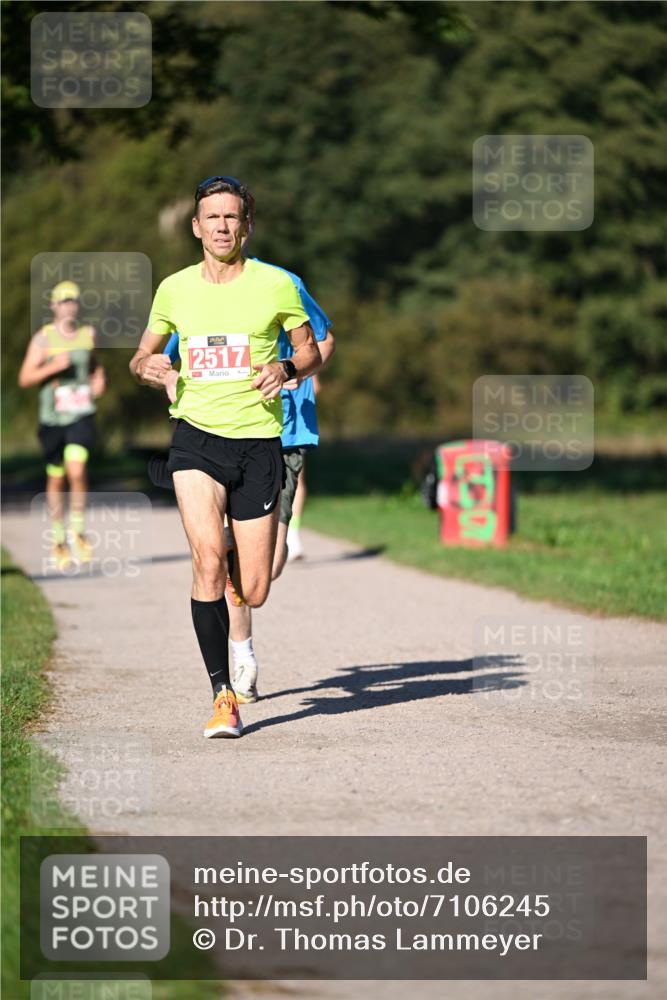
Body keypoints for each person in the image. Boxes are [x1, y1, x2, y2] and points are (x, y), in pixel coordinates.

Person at [129, 175, 321, 739]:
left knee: (254, 587)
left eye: (232, 217)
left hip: (259, 443)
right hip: (195, 438)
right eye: (212, 217)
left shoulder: (276, 285)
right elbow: (143, 353)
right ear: (196, 226)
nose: (222, 226)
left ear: (246, 225)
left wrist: (286, 368)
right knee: (206, 559)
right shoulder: (174, 289)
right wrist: (149, 367)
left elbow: (311, 350)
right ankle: (222, 696)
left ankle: (240, 575)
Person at [156, 268, 335, 703]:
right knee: (212, 561)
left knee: (264, 574)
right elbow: (174, 353)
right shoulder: (198, 295)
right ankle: (240, 654)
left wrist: (294, 371)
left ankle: (232, 547)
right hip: (217, 435)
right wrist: (166, 377)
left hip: (283, 435)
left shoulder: (285, 285)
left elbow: (323, 342)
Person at [18, 280, 106, 570]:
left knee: (76, 469)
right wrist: (53, 366)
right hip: (52, 418)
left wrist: (98, 379)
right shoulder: (43, 339)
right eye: (63, 301)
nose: (68, 306)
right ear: (53, 306)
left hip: (81, 413)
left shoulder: (87, 334)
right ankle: (58, 539)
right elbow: (25, 378)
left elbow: (93, 365)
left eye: (73, 301)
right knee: (56, 478)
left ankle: (77, 530)